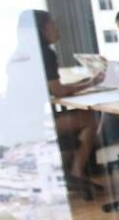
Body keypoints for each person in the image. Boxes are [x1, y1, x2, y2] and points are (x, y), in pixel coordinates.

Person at [11, 10, 101, 191]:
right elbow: (58, 91)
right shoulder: (45, 54)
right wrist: (91, 83)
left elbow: (48, 88)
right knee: (89, 119)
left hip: (15, 121)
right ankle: (76, 172)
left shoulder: (21, 52)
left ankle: (68, 168)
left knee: (81, 116)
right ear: (42, 29)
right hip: (32, 124)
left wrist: (81, 84)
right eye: (53, 25)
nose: (58, 30)